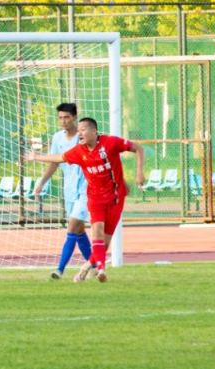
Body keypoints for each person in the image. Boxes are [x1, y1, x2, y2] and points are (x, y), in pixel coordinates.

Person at [25, 117, 146, 283]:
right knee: (96, 231)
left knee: (105, 241)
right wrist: (36, 156)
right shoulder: (78, 151)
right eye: (79, 130)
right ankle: (101, 269)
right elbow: (59, 158)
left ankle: (86, 267)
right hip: (95, 198)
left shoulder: (110, 143)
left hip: (116, 198)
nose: (79, 133)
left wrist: (139, 173)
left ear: (93, 131)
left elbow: (138, 148)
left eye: (83, 129)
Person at [32, 103, 92, 280]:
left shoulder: (83, 137)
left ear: (74, 117)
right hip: (69, 190)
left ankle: (60, 269)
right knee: (79, 230)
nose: (63, 121)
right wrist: (42, 182)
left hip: (86, 189)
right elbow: (55, 162)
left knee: (72, 226)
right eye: (60, 117)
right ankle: (94, 265)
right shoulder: (58, 138)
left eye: (66, 117)